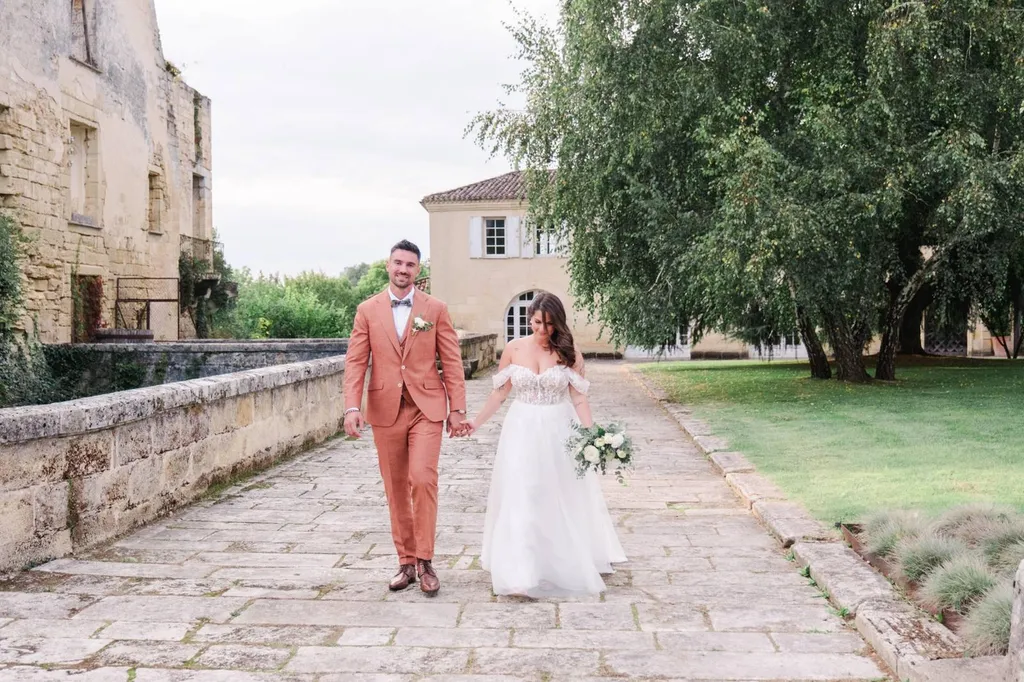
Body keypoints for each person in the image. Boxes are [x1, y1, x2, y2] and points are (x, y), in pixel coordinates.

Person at [465, 291, 627, 598]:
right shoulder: (513, 348)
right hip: (521, 429)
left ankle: (557, 561)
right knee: (522, 492)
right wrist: (476, 422)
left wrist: (593, 435)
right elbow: (500, 394)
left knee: (557, 492)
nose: (542, 329)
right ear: (530, 320)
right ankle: (521, 572)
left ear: (558, 323)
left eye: (549, 324)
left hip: (559, 429)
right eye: (537, 322)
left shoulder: (569, 353)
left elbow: (579, 398)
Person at [342, 239, 469, 597]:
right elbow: (356, 361)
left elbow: (451, 360)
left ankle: (426, 561)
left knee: (422, 479)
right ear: (388, 265)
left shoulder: (436, 309)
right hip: (385, 409)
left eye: (410, 265)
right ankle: (406, 562)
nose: (403, 269)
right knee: (396, 487)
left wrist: (457, 409)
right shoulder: (367, 310)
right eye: (398, 263)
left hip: (426, 407)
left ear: (417, 269)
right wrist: (352, 406)